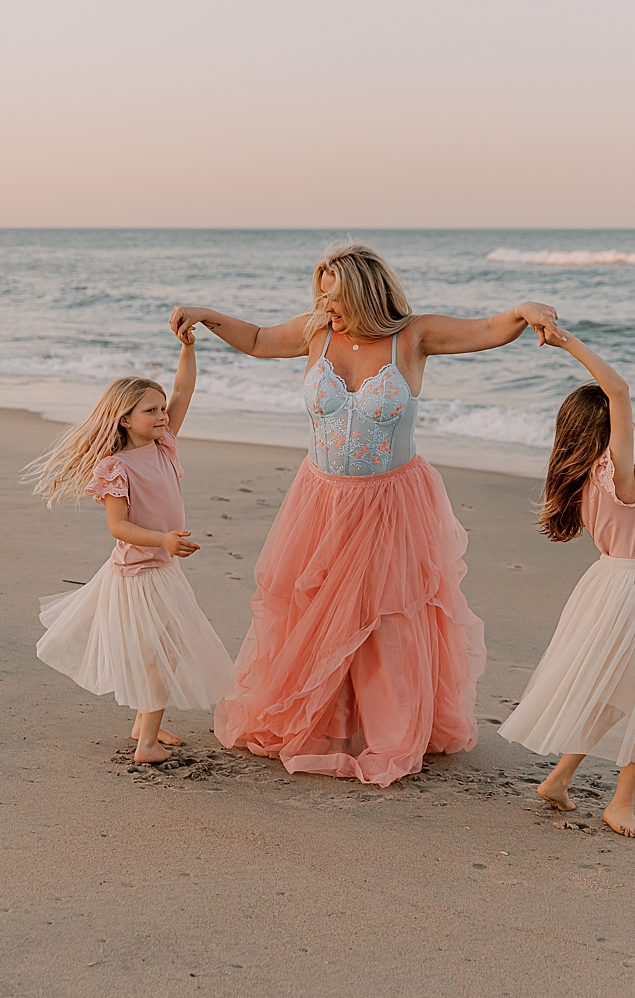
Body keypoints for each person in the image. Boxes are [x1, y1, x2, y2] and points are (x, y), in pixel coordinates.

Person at [173, 242, 562, 786]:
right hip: (321, 498)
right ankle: (327, 721)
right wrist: (205, 315)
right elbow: (259, 340)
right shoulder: (317, 333)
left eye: (333, 296)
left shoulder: (415, 336)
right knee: (313, 611)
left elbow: (489, 330)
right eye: (321, 296)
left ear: (362, 290)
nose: (325, 306)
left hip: (390, 502)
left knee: (386, 618)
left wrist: (528, 311)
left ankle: (392, 732)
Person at [499, 329, 635, 840]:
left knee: (615, 693)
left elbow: (628, 541)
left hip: (615, 583)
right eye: (622, 423)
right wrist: (567, 342)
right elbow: (618, 389)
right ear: (606, 428)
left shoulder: (584, 480)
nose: (630, 425)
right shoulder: (614, 472)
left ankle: (558, 779)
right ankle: (620, 803)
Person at [29, 333, 234, 765]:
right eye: (151, 410)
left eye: (162, 409)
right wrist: (163, 539)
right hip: (141, 571)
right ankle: (147, 745)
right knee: (162, 653)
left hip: (160, 567)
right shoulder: (115, 467)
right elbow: (118, 526)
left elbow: (184, 390)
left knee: (161, 650)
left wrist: (189, 348)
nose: (162, 415)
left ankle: (145, 725)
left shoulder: (164, 445)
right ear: (124, 419)